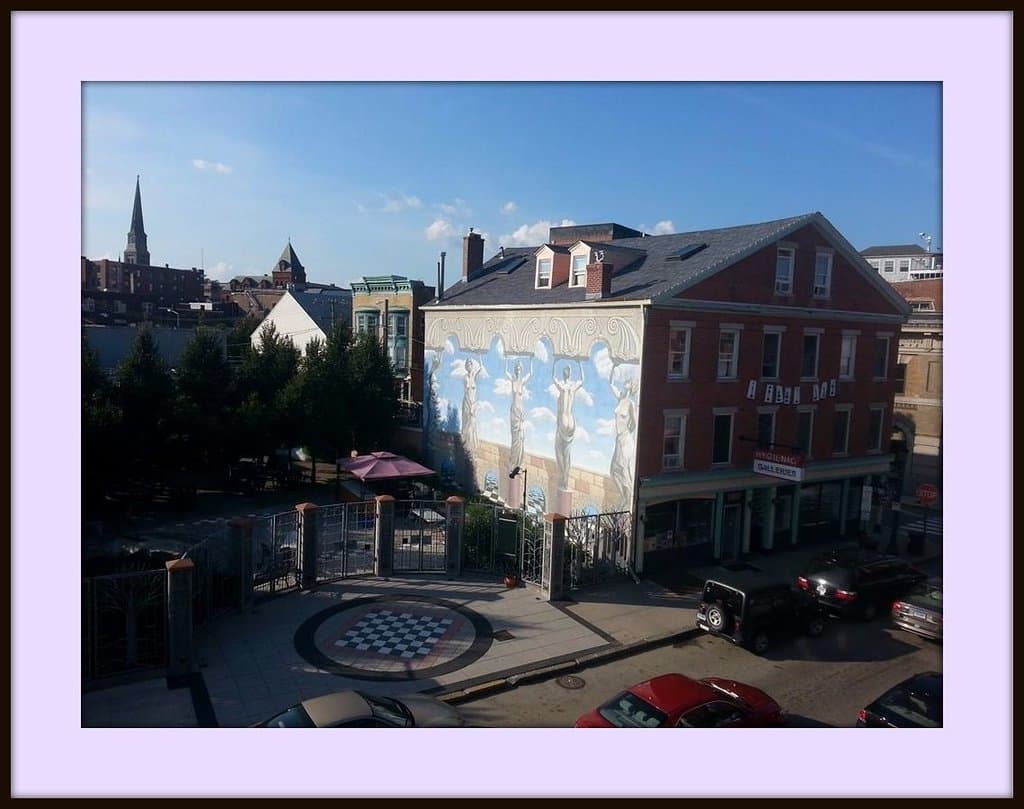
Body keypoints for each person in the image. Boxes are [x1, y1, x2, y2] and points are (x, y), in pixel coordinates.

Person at [552, 360, 585, 491]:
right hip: (571, 421)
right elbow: (582, 379)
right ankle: (565, 477)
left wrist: (554, 363)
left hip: (563, 420)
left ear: (564, 374)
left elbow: (553, 378)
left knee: (558, 449)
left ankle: (563, 477)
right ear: (570, 374)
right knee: (567, 452)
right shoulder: (573, 387)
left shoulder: (562, 386)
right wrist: (581, 363)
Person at [609, 368, 638, 511]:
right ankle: (624, 496)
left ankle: (629, 499)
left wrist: (626, 433)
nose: (624, 384)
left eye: (627, 383)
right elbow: (611, 384)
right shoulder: (620, 399)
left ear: (631, 386)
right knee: (613, 471)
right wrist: (613, 368)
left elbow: (634, 422)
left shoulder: (631, 404)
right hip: (618, 439)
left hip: (626, 440)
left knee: (623, 469)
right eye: (625, 382)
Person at [506, 358, 532, 470]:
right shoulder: (513, 380)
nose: (518, 370)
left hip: (520, 412)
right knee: (514, 437)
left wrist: (530, 359)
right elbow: (505, 372)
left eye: (520, 368)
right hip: (514, 411)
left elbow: (530, 374)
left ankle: (518, 460)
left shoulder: (522, 382)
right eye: (516, 368)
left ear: (522, 370)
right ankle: (513, 459)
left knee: (520, 437)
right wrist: (506, 359)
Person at [461, 356, 481, 452]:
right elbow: (466, 391)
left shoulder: (474, 376)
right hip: (466, 402)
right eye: (467, 364)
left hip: (473, 402)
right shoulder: (465, 377)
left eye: (470, 364)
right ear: (466, 366)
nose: (469, 365)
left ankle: (471, 446)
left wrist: (479, 355)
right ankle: (465, 445)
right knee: (466, 424)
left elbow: (480, 368)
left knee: (472, 424)